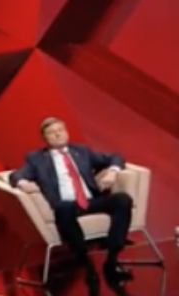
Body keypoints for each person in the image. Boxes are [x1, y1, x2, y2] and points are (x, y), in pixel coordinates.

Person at [8, 117, 133, 296]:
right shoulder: (36, 159)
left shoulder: (81, 151)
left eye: (61, 130)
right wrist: (23, 183)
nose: (57, 134)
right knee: (63, 209)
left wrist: (113, 172)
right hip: (67, 204)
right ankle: (86, 264)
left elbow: (115, 157)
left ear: (66, 132)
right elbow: (16, 175)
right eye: (52, 132)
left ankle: (112, 258)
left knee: (122, 199)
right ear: (44, 138)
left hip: (91, 200)